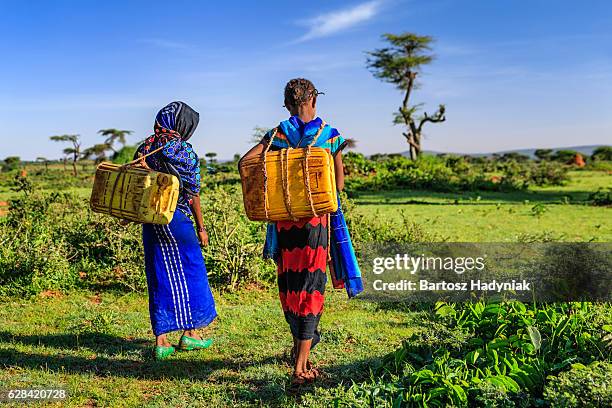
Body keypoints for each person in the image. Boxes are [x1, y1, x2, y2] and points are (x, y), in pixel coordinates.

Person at [241, 78, 347, 384]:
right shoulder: (330, 135)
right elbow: (338, 186)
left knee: (290, 286)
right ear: (314, 98)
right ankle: (301, 366)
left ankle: (302, 344)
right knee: (311, 286)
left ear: (287, 104)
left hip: (284, 224)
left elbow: (246, 162)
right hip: (315, 223)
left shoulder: (278, 135)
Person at [135, 101, 217, 360]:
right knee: (191, 273)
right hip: (177, 218)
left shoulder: (145, 147)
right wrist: (201, 227)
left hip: (150, 220)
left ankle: (161, 341)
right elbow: (192, 194)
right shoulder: (182, 150)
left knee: (160, 275)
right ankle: (191, 335)